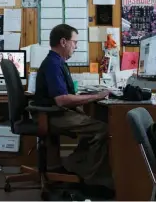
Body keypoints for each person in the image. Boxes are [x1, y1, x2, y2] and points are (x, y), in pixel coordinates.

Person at [34, 24, 113, 190]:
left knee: (92, 124)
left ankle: (73, 166)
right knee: (102, 129)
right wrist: (96, 96)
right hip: (52, 115)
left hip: (54, 113)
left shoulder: (57, 62)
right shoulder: (53, 64)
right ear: (64, 42)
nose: (76, 46)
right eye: (74, 42)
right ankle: (93, 181)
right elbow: (62, 100)